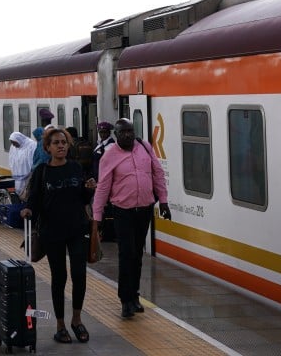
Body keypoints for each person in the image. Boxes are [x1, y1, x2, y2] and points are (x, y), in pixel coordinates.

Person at [21, 127, 97, 343]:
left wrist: (89, 189)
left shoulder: (75, 167)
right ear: (48, 147)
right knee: (59, 277)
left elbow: (82, 198)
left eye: (63, 142)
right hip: (51, 232)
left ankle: (77, 320)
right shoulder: (42, 171)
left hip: (76, 229)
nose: (61, 145)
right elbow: (33, 199)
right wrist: (27, 210)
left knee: (79, 275)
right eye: (56, 143)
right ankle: (60, 325)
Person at [92, 117, 171, 319]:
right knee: (126, 254)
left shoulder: (144, 147)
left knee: (137, 255)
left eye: (131, 131)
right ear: (116, 135)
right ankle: (125, 300)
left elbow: (158, 174)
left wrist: (163, 201)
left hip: (144, 209)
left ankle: (134, 296)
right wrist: (97, 216)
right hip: (122, 211)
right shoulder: (109, 156)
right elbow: (102, 187)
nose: (129, 135)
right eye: (124, 132)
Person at [8, 131, 37, 197]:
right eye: (12, 143)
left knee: (27, 195)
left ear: (19, 139)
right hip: (17, 179)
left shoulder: (32, 146)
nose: (13, 145)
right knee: (19, 196)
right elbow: (11, 159)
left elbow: (33, 162)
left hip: (28, 178)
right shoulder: (14, 147)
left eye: (14, 143)